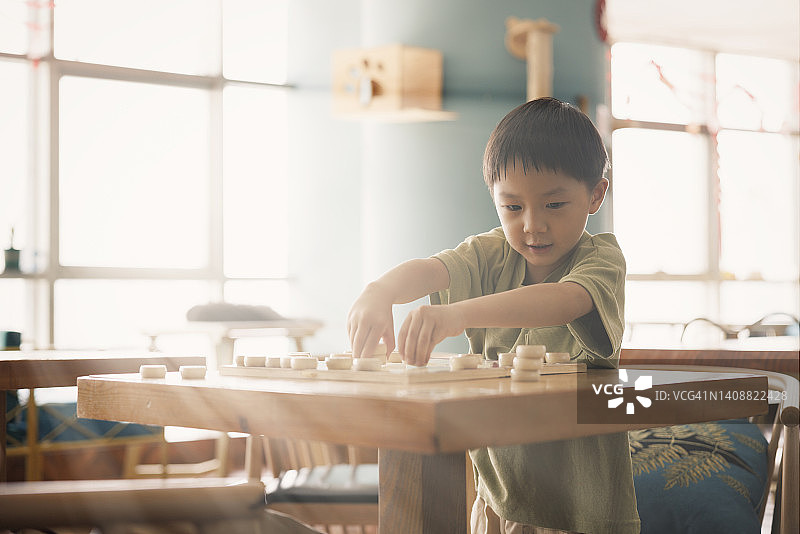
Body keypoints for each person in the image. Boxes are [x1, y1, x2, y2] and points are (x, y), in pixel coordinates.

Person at [347, 97, 640, 534]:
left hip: (582, 510)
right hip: (500, 500)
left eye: (554, 205)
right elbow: (432, 269)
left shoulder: (601, 259)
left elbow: (562, 301)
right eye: (513, 207)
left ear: (596, 194)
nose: (532, 225)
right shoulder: (488, 254)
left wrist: (456, 315)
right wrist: (381, 290)